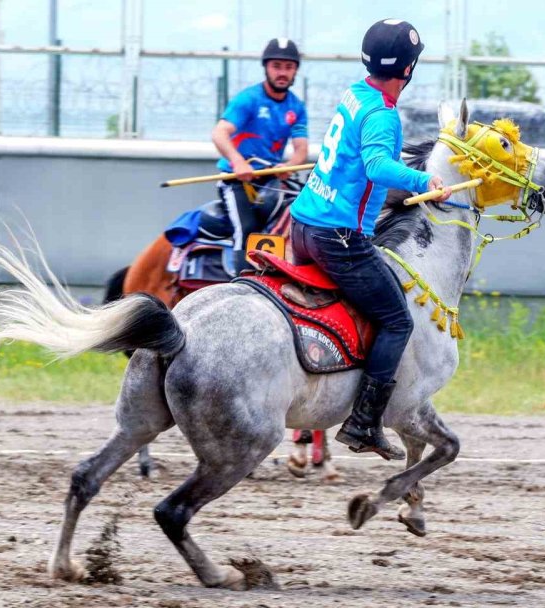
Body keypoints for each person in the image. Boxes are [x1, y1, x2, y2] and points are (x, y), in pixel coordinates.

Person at [287, 19, 452, 460]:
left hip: (301, 225)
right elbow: (378, 165)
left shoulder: (355, 93)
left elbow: (366, 159)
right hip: (335, 238)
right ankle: (363, 423)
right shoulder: (382, 112)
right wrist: (424, 178)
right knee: (398, 319)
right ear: (408, 68)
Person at [211, 37, 309, 273]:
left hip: (272, 180)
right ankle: (239, 284)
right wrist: (238, 162)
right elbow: (219, 133)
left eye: (288, 67)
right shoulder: (248, 99)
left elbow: (301, 151)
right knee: (246, 229)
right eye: (276, 66)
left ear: (295, 70)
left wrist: (289, 166)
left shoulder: (296, 107)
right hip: (237, 181)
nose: (282, 73)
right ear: (266, 68)